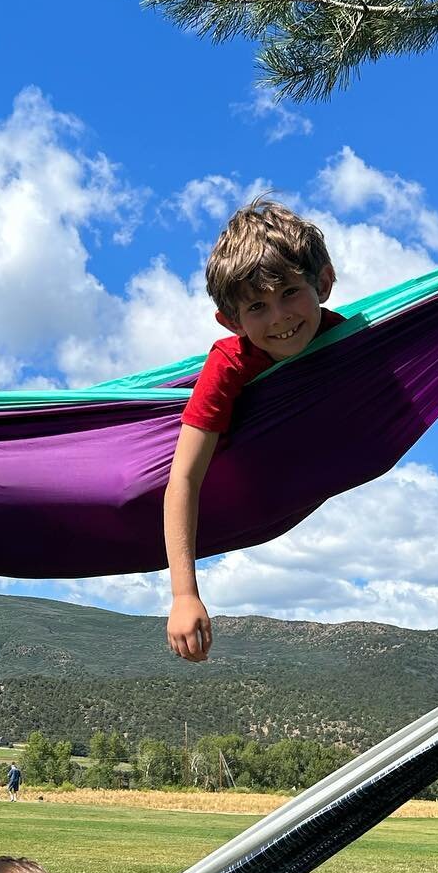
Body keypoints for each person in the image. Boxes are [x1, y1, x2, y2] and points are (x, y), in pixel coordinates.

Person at [165, 197, 341, 662]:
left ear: (322, 283)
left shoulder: (350, 342)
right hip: (234, 488)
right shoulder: (228, 363)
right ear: (232, 321)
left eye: (289, 293)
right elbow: (182, 477)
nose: (279, 317)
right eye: (257, 306)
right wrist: (184, 595)